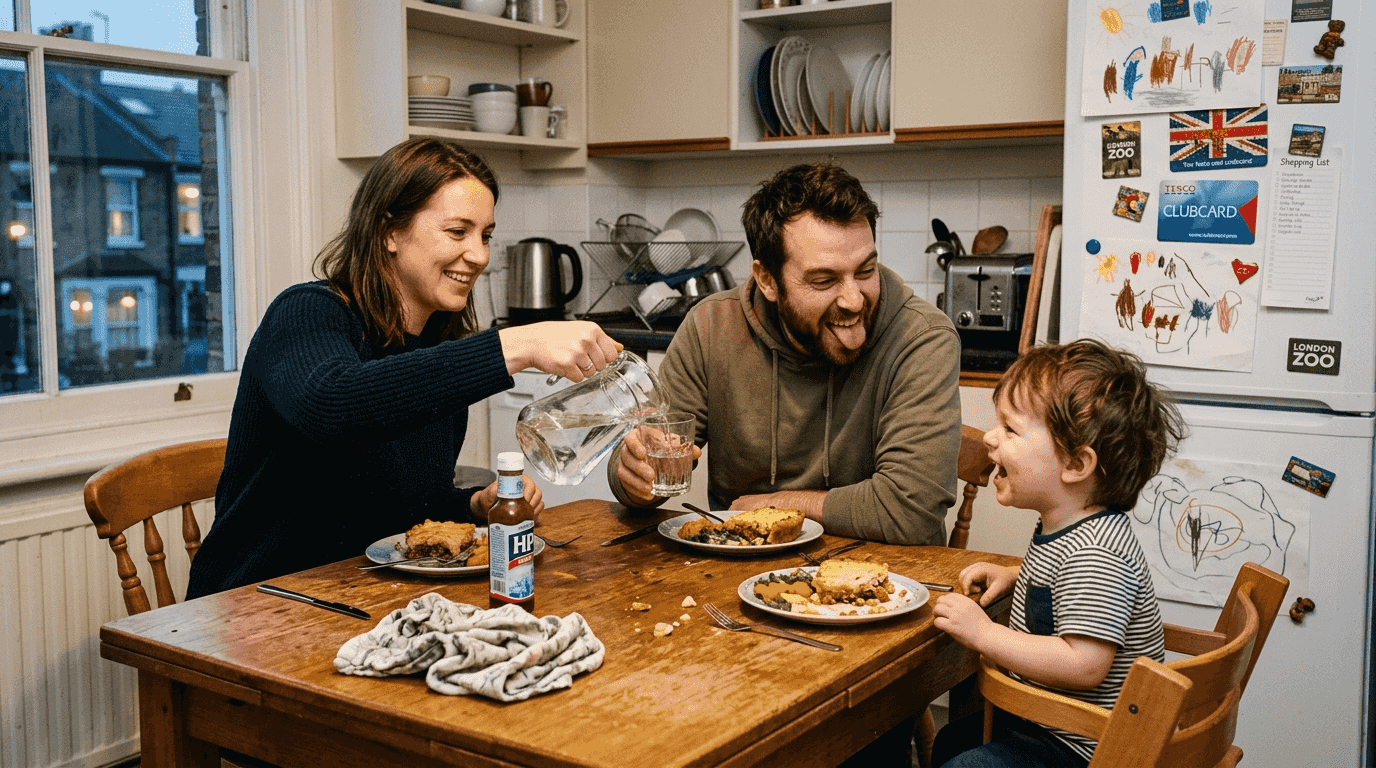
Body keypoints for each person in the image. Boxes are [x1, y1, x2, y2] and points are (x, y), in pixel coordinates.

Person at [186, 137, 619, 598]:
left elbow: (401, 508)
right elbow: (336, 405)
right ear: (389, 231)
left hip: (361, 600)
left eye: (486, 235)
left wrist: (472, 506)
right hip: (254, 606)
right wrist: (515, 345)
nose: (480, 255)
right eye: (458, 232)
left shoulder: (437, 352)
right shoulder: (307, 313)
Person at [610, 161, 963, 548]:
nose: (853, 299)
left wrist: (778, 505)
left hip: (892, 583)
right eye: (824, 280)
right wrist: (634, 476)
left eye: (865, 270)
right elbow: (647, 461)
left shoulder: (922, 338)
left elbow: (911, 512)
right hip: (737, 571)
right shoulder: (711, 327)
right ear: (767, 281)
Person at [930, 338, 1187, 768]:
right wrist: (1017, 577)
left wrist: (984, 634)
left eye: (1010, 429)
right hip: (1055, 725)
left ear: (1074, 465)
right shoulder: (1071, 526)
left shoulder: (1099, 553)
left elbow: (1084, 664)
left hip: (1089, 746)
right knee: (951, 743)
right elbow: (1067, 591)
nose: (991, 439)